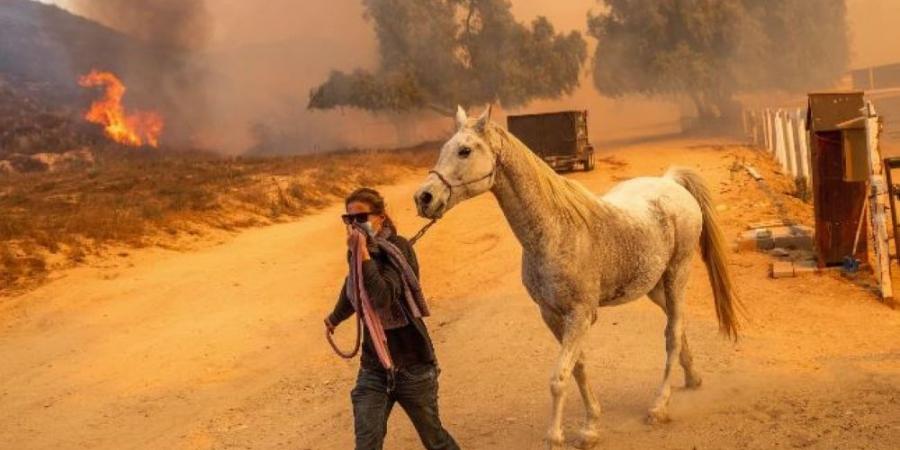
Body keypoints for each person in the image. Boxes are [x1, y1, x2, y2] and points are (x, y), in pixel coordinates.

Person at [325, 187, 460, 450]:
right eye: (348, 219)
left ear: (381, 217)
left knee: (436, 441)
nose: (354, 225)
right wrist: (335, 317)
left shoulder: (399, 250)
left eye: (360, 218)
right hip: (374, 367)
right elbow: (353, 285)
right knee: (367, 443)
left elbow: (382, 296)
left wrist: (363, 254)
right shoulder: (356, 253)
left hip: (413, 366)